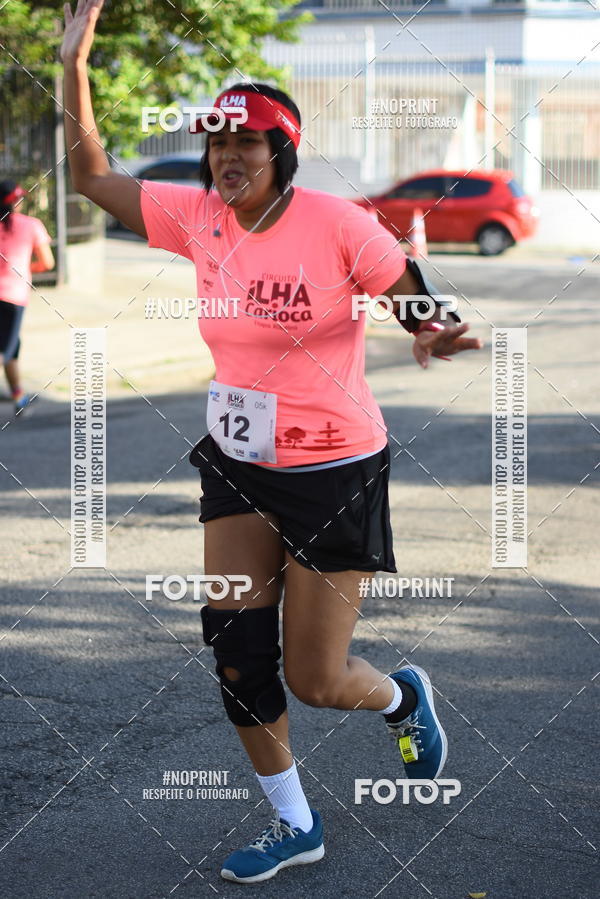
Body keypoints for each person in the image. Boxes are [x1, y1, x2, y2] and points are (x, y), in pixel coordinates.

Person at [62, 0, 483, 885]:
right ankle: (296, 823)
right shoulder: (196, 218)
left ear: (281, 153)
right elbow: (91, 173)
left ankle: (403, 695)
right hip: (238, 461)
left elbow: (412, 294)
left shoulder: (335, 223)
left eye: (245, 143)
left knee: (318, 679)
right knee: (235, 650)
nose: (226, 156)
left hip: (335, 468)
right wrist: (72, 65)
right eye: (216, 142)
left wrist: (434, 328)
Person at [0, 180, 55, 414]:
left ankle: (19, 399)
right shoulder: (32, 225)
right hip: (13, 297)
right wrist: (27, 269)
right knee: (6, 349)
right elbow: (47, 262)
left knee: (12, 348)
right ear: (16, 202)